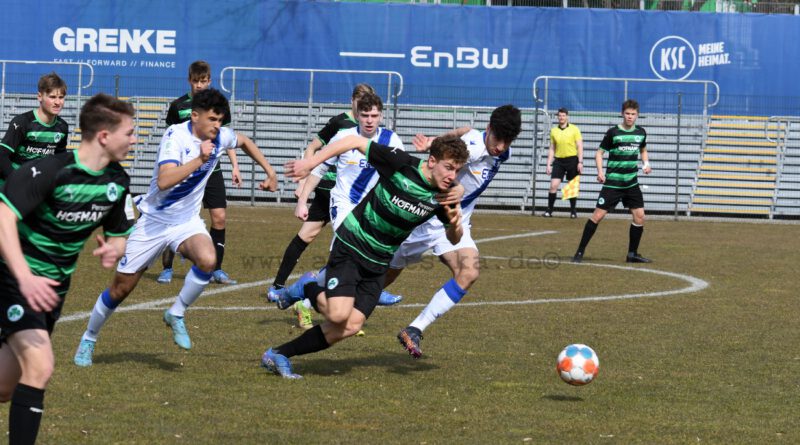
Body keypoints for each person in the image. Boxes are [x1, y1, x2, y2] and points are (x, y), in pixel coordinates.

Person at [73, 88, 278, 367]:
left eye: (221, 120)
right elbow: (165, 180)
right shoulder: (175, 136)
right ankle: (89, 337)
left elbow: (243, 141)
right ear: (195, 116)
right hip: (153, 222)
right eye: (213, 119)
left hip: (186, 222)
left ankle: (176, 313)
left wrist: (270, 171)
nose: (218, 126)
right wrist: (200, 160)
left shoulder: (219, 136)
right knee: (120, 289)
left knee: (208, 259)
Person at [261, 133, 469, 379]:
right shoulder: (401, 163)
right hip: (352, 244)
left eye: (457, 170)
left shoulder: (446, 196)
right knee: (338, 314)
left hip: (379, 262)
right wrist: (310, 163)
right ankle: (306, 287)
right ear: (432, 161)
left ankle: (278, 354)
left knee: (350, 326)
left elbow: (455, 239)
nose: (452, 176)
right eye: (448, 168)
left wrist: (455, 222)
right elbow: (355, 142)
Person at [0, 94, 136, 445]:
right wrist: (25, 277)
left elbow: (120, 236)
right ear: (104, 135)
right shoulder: (48, 171)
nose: (135, 140)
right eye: (129, 133)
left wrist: (113, 251)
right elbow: (3, 220)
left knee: (5, 386)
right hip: (14, 279)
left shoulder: (118, 182)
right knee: (41, 366)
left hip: (52, 291)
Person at [389, 104, 522, 358]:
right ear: (489, 129)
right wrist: (455, 187)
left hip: (454, 224)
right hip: (426, 221)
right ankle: (309, 291)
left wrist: (433, 140)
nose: (501, 147)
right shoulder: (472, 150)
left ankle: (415, 328)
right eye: (498, 139)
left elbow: (464, 130)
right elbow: (447, 169)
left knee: (469, 271)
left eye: (508, 141)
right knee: (379, 276)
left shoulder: (501, 151)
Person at [274, 92, 408, 330]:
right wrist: (302, 200)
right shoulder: (344, 136)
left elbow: (400, 175)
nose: (369, 120)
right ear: (357, 115)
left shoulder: (392, 140)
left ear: (381, 116)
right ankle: (351, 304)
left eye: (374, 115)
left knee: (347, 259)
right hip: (343, 204)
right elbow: (319, 168)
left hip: (371, 211)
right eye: (365, 115)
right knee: (355, 252)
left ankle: (304, 295)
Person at [158, 60, 242, 285]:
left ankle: (217, 268)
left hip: (212, 170)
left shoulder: (217, 105)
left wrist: (234, 165)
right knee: (173, 217)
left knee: (220, 218)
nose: (199, 86)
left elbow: (227, 138)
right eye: (196, 81)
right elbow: (170, 137)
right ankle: (167, 267)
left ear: (209, 81)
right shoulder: (178, 106)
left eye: (203, 81)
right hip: (186, 171)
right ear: (189, 81)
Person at [572, 99, 652, 264]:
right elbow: (599, 153)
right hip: (613, 183)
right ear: (622, 114)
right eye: (627, 114)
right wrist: (600, 172)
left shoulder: (641, 132)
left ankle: (632, 254)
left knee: (640, 216)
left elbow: (643, 150)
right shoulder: (613, 133)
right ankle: (579, 252)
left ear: (637, 115)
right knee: (598, 215)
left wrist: (646, 164)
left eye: (633, 114)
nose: (630, 117)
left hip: (631, 183)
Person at [0, 72, 69, 188]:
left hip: (37, 186)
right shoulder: (22, 122)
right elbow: (1, 155)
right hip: (11, 184)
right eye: (52, 97)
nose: (58, 102)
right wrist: (17, 180)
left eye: (61, 97)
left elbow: (60, 159)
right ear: (39, 97)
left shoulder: (62, 127)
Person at [544, 107, 583, 218]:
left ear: (567, 116)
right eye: (559, 115)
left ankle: (573, 211)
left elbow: (580, 146)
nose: (561, 117)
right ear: (557, 117)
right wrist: (548, 164)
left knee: (571, 186)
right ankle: (549, 210)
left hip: (572, 160)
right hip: (559, 161)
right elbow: (552, 148)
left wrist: (580, 162)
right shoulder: (554, 131)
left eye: (563, 115)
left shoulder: (575, 129)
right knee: (553, 186)